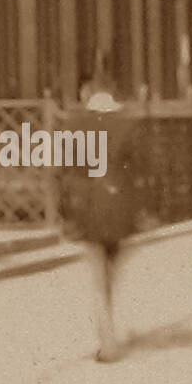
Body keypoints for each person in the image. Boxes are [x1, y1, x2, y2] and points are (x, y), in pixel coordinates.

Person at [61, 90, 149, 362]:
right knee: (109, 273)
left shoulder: (76, 130)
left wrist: (67, 214)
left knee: (98, 274)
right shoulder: (127, 128)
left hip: (89, 210)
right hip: (120, 211)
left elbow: (66, 174)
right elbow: (141, 169)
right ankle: (108, 331)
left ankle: (107, 337)